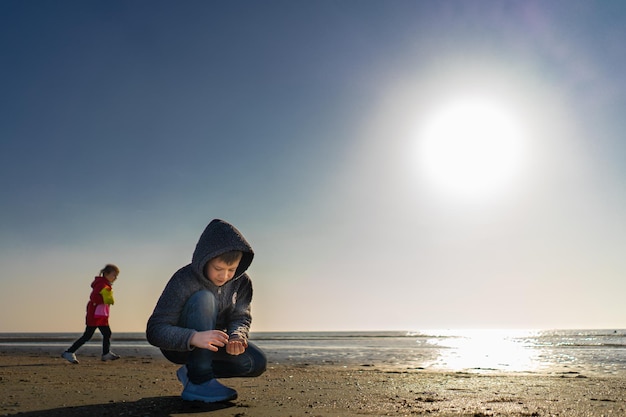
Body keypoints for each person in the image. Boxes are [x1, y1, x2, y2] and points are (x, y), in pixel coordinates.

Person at [146, 219, 266, 403]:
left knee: (255, 363)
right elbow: (155, 330)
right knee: (204, 298)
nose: (224, 276)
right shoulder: (184, 279)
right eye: (218, 268)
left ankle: (191, 372)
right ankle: (199, 382)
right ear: (205, 259)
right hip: (180, 346)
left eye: (231, 270)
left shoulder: (242, 282)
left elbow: (241, 316)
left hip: (213, 345)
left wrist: (237, 336)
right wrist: (193, 337)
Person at [61, 264, 121, 364]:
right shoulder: (101, 284)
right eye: (114, 275)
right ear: (106, 274)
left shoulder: (105, 284)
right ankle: (69, 352)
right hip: (95, 314)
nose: (115, 278)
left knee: (107, 333)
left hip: (102, 315)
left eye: (116, 276)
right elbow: (93, 297)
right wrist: (105, 299)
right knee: (87, 335)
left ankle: (106, 354)